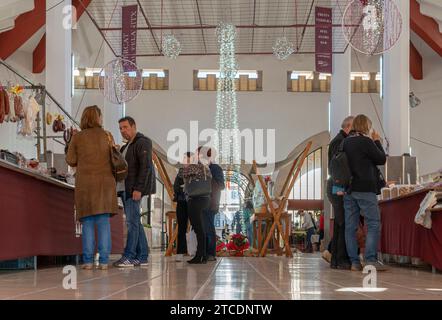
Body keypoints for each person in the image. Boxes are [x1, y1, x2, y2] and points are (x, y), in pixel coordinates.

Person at [66, 105, 118, 270]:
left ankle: (87, 261)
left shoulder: (78, 137)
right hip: (105, 185)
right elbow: (115, 159)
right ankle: (103, 261)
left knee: (87, 223)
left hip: (85, 186)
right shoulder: (107, 136)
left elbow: (70, 160)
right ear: (98, 118)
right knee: (103, 223)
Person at [343, 114, 387, 271]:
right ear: (367, 127)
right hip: (365, 188)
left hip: (349, 189)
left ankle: (354, 262)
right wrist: (377, 141)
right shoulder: (366, 141)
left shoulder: (345, 142)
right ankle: (370, 260)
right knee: (373, 223)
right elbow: (381, 159)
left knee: (351, 226)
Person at [114, 116, 156, 268]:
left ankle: (129, 256)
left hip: (133, 189)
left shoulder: (143, 142)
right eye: (120, 128)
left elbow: (145, 167)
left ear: (133, 126)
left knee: (132, 223)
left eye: (125, 127)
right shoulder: (126, 147)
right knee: (135, 222)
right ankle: (143, 256)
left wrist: (138, 189)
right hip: (125, 189)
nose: (122, 131)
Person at [326, 116, 354, 269]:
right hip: (338, 187)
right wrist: (340, 189)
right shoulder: (340, 141)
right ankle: (340, 259)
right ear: (349, 127)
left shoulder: (338, 139)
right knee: (342, 223)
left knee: (340, 223)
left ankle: (336, 259)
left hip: (338, 186)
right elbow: (337, 166)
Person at [183, 155, 212, 264]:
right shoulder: (206, 168)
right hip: (205, 199)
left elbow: (183, 173)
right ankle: (203, 255)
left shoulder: (193, 167)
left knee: (198, 228)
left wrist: (186, 166)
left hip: (196, 199)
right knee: (201, 229)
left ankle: (199, 255)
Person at [198, 147, 225, 262]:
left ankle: (211, 253)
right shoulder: (199, 168)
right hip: (199, 202)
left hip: (211, 202)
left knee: (208, 228)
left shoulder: (215, 168)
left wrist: (207, 175)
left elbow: (221, 185)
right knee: (202, 229)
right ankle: (203, 253)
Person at [173, 152, 192, 262]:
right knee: (181, 227)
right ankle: (180, 252)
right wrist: (185, 187)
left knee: (195, 226)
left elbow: (196, 187)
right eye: (184, 159)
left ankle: (194, 250)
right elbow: (176, 187)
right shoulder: (180, 172)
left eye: (188, 159)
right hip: (182, 202)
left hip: (193, 202)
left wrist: (186, 186)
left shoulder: (196, 171)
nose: (185, 161)